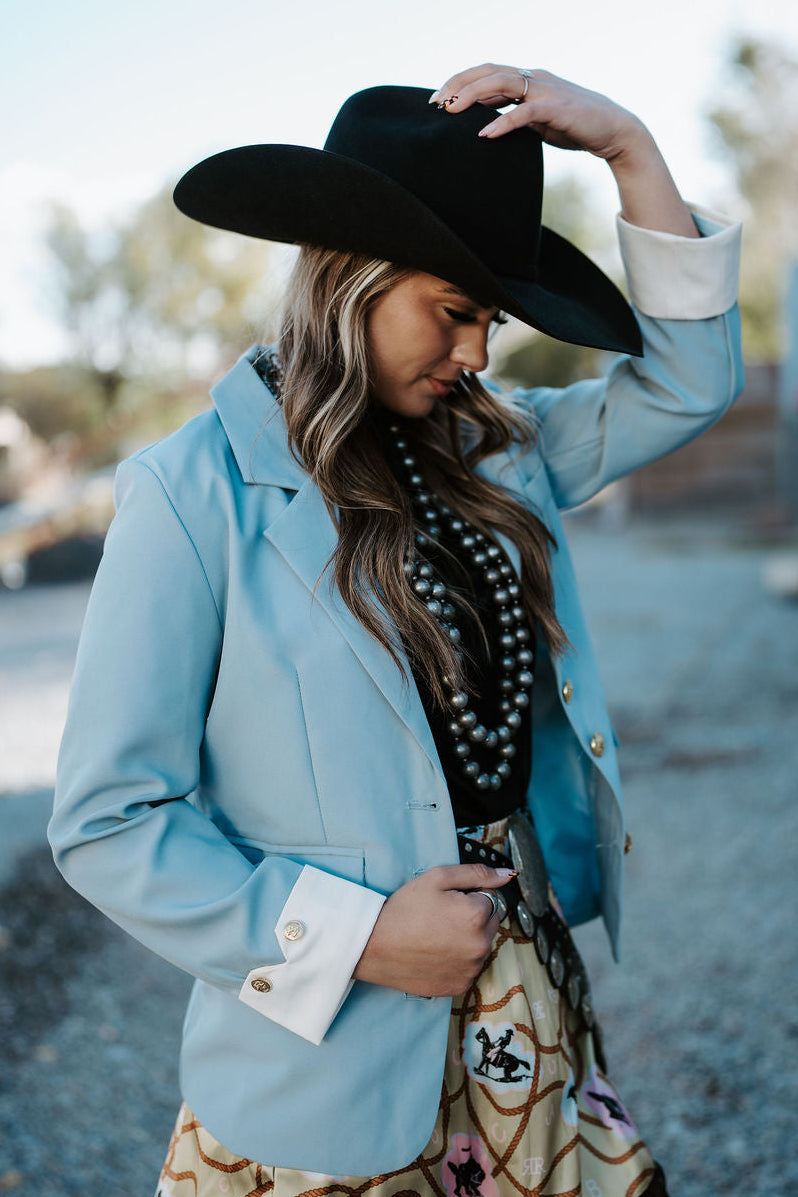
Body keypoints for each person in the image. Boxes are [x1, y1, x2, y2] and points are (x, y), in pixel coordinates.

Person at [49, 64, 742, 1197]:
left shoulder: (495, 451)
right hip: (327, 1059)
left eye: (491, 320)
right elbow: (109, 821)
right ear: (350, 281)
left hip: (527, 1006)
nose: (478, 354)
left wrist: (628, 147)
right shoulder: (190, 495)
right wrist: (358, 941)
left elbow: (691, 381)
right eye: (454, 311)